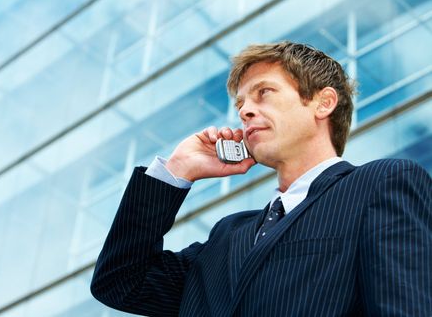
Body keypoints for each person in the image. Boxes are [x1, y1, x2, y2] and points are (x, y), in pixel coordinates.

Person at [90, 42, 432, 316]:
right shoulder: (226, 235)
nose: (244, 111)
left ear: (323, 103)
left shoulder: (381, 183)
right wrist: (176, 171)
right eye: (240, 103)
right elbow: (120, 283)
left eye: (264, 92)